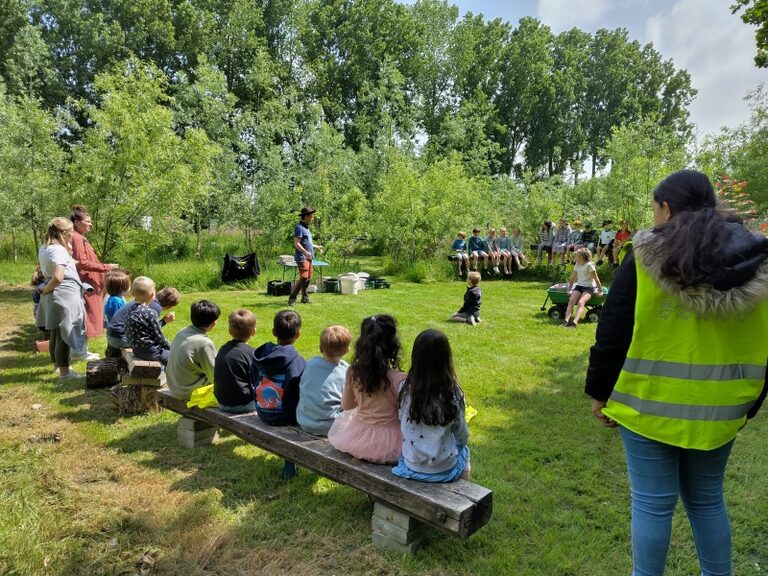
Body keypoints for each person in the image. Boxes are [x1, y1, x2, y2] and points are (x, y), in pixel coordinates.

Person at [585, 170, 768, 576]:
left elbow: (613, 328)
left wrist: (600, 391)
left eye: (654, 210)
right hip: (723, 409)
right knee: (707, 500)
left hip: (648, 404)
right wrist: (752, 402)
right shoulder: (758, 261)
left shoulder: (644, 256)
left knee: (652, 502)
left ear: (666, 208)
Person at [392, 329, 470, 482]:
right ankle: (465, 498)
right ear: (446, 358)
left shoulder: (405, 388)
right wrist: (460, 446)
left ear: (416, 357)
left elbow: (401, 418)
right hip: (444, 468)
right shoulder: (452, 392)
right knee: (465, 452)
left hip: (411, 465)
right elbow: (462, 434)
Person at [327, 315, 405, 464]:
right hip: (391, 442)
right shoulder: (398, 379)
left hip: (359, 438)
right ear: (392, 345)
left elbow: (346, 406)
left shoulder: (353, 372)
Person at [252, 309, 306, 479]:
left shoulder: (260, 357)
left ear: (274, 332)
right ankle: (290, 464)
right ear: (298, 334)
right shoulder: (299, 362)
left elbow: (254, 380)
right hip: (285, 417)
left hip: (262, 411)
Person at [36, 217, 89, 379]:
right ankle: (65, 372)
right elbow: (58, 276)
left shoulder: (45, 248)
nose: (72, 234)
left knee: (56, 333)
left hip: (54, 294)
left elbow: (61, 266)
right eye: (71, 231)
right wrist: (45, 289)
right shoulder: (58, 250)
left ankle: (57, 367)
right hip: (63, 293)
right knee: (65, 333)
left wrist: (70, 253)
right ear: (65, 233)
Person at [69, 205, 119, 340]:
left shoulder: (78, 237)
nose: (91, 224)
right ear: (77, 222)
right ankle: (81, 347)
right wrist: (106, 267)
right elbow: (82, 263)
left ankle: (83, 345)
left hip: (90, 281)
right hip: (87, 282)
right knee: (88, 314)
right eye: (88, 221)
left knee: (92, 313)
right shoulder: (77, 238)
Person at [296, 325, 353, 436]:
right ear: (347, 350)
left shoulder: (311, 364)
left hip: (304, 420)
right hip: (330, 426)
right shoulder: (347, 372)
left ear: (320, 348)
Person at [166, 299, 220, 400]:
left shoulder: (182, 332)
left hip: (174, 387)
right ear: (213, 323)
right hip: (189, 392)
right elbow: (215, 375)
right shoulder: (204, 343)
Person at [106, 286, 179, 349]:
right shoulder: (155, 308)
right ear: (169, 306)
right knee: (153, 345)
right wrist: (164, 321)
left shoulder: (147, 300)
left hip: (112, 334)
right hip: (120, 338)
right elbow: (153, 333)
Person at [214, 309, 257, 413]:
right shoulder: (252, 353)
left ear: (229, 331)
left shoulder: (223, 349)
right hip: (243, 404)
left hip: (222, 402)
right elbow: (257, 381)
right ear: (254, 332)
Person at [125, 276, 172, 363]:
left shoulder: (131, 309)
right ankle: (166, 375)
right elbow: (158, 336)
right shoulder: (150, 313)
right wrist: (172, 347)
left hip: (137, 351)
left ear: (133, 294)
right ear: (152, 294)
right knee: (174, 357)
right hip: (151, 352)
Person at [288, 207, 323, 307]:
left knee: (307, 279)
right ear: (306, 216)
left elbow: (308, 243)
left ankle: (304, 298)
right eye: (311, 217)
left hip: (309, 257)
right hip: (302, 257)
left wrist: (317, 247)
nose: (312, 219)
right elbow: (296, 243)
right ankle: (292, 298)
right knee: (303, 277)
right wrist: (305, 252)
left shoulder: (306, 228)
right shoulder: (299, 227)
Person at [561, 247, 602, 328]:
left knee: (581, 302)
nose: (575, 258)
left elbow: (596, 278)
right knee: (571, 301)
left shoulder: (589, 265)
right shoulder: (577, 264)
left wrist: (600, 291)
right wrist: (569, 290)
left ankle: (574, 322)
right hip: (579, 286)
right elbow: (572, 278)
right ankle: (566, 321)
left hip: (589, 288)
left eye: (577, 256)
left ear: (583, 257)